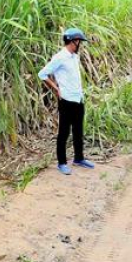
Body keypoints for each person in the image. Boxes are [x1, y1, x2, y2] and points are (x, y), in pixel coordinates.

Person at [38, 28, 95, 175]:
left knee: (78, 130)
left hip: (78, 98)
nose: (80, 45)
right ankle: (62, 163)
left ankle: (79, 158)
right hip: (66, 100)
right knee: (64, 132)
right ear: (73, 41)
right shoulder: (60, 57)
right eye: (79, 42)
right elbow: (42, 74)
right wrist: (56, 88)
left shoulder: (74, 56)